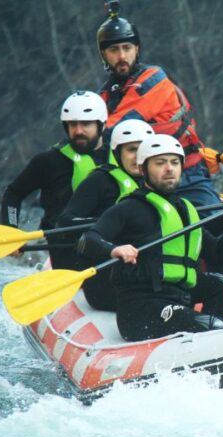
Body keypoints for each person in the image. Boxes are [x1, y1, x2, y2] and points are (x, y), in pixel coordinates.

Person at [78, 134, 223, 342]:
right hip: (140, 310)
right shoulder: (128, 208)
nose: (169, 168)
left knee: (219, 283)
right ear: (143, 170)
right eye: (160, 163)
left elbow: (220, 255)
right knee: (209, 324)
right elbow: (87, 239)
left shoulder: (185, 210)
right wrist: (114, 249)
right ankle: (211, 334)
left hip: (178, 297)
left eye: (174, 162)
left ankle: (210, 346)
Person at [95, 0, 223, 207]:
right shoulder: (106, 94)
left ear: (137, 49)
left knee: (211, 226)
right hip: (145, 180)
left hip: (185, 173)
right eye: (114, 50)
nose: (122, 56)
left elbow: (117, 127)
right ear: (104, 55)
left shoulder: (153, 80)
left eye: (127, 48)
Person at [0, 90, 114, 269]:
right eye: (72, 125)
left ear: (102, 125)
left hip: (112, 246)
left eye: (86, 124)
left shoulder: (121, 159)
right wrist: (11, 232)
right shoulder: (48, 161)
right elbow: (13, 193)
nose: (78, 131)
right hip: (66, 251)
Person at [57, 118, 154, 311]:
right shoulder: (100, 181)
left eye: (143, 150)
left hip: (142, 273)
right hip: (105, 275)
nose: (138, 157)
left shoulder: (156, 184)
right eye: (132, 150)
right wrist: (108, 223)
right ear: (118, 154)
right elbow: (65, 222)